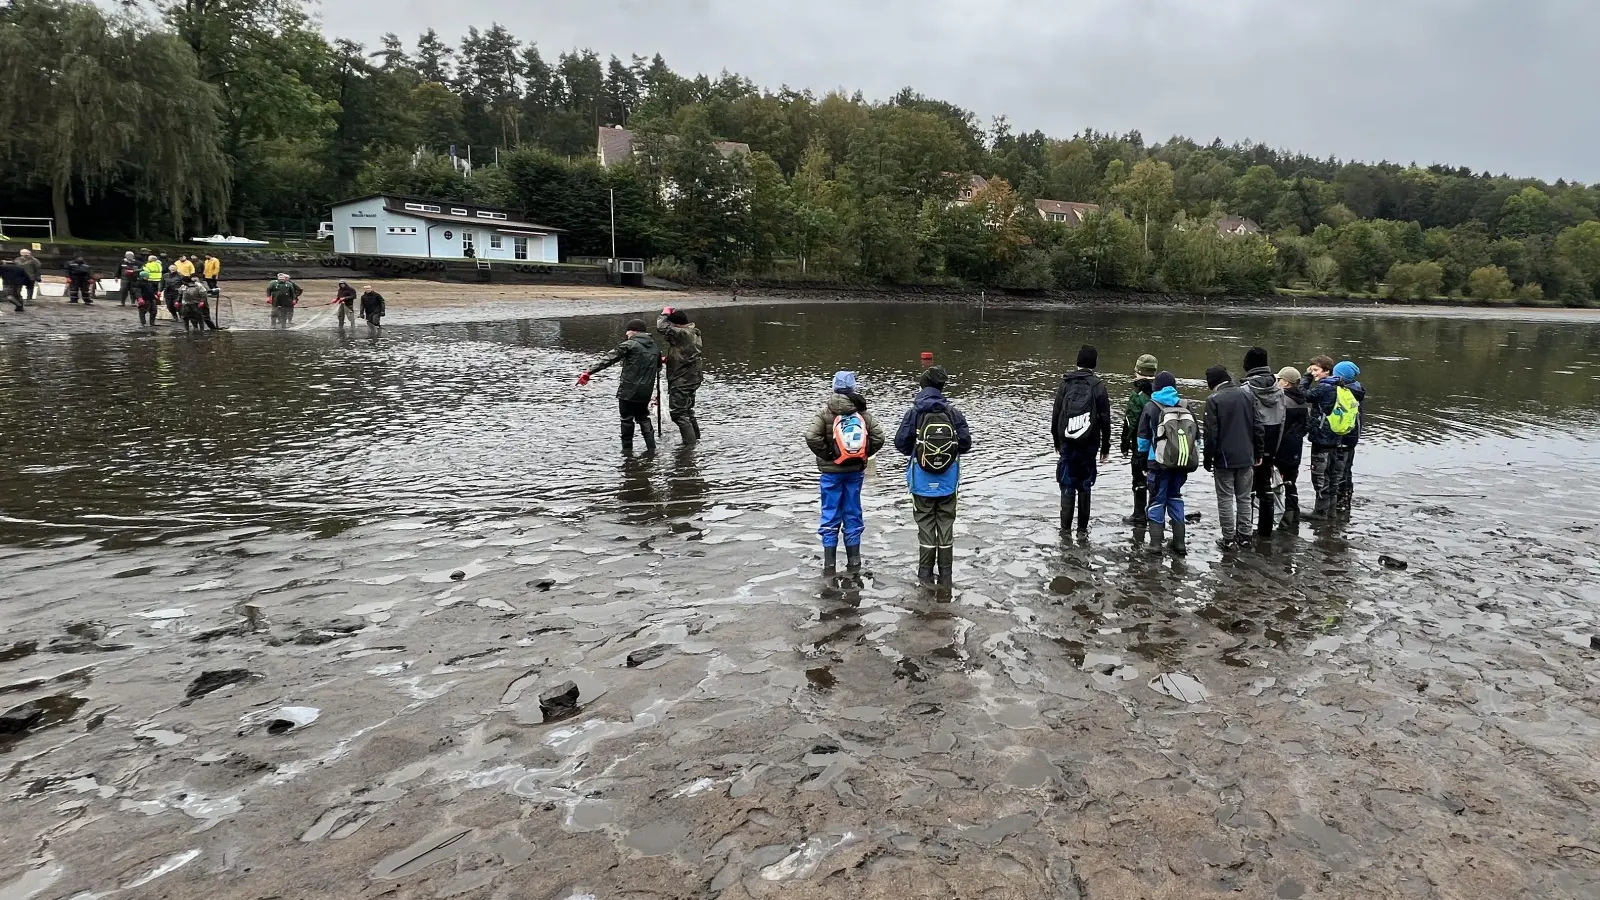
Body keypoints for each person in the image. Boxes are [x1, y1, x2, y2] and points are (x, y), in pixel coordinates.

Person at [894, 365, 972, 586]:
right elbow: (966, 445)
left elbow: (900, 444)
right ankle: (946, 575)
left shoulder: (914, 413)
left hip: (921, 480)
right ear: (942, 387)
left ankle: (925, 575)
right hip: (948, 481)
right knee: (946, 524)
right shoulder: (953, 413)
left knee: (926, 524)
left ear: (923, 386)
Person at [803, 371, 885, 575]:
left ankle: (829, 565)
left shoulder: (825, 412)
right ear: (853, 388)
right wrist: (863, 455)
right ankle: (854, 563)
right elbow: (879, 437)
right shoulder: (862, 413)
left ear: (834, 387)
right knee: (852, 514)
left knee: (830, 515)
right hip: (854, 471)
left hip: (831, 473)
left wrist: (829, 455)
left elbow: (811, 436)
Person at [578, 318, 663, 455]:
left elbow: (608, 359)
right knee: (643, 418)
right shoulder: (655, 347)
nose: (627, 334)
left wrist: (588, 372)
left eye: (628, 332)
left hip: (628, 390)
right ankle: (651, 449)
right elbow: (658, 368)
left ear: (634, 331)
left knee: (626, 419)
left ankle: (627, 452)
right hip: (645, 391)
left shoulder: (629, 345)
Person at [1051, 344, 1112, 536]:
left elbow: (1056, 414)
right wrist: (1105, 447)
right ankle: (1082, 531)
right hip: (1089, 444)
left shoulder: (1065, 383)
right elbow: (1105, 419)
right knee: (1085, 485)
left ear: (1077, 362)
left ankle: (1065, 530)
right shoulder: (1098, 386)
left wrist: (1056, 441)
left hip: (1067, 443)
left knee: (1067, 483)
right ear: (1094, 364)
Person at [1203, 365, 1265, 550]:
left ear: (1212, 382)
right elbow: (1258, 426)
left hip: (1224, 459)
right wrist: (1259, 453)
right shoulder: (1248, 395)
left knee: (1225, 498)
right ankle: (1246, 537)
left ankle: (1228, 539)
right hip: (1246, 456)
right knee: (1244, 498)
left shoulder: (1213, 400)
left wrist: (1207, 459)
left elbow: (1210, 434)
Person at [1137, 371, 1197, 555]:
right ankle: (1179, 543)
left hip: (1158, 463)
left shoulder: (1151, 406)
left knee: (1156, 500)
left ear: (1156, 387)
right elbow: (1197, 437)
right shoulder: (1185, 405)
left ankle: (1155, 544)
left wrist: (1142, 464)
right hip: (1181, 463)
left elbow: (1143, 440)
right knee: (1175, 497)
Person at [1241, 347, 1285, 536]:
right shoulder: (1279, 389)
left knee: (1246, 488)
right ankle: (1265, 532)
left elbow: (1243, 422)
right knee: (1265, 485)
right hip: (1273, 440)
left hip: (1251, 443)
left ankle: (1244, 530)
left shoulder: (1245, 390)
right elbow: (1282, 420)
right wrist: (1275, 450)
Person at [1301, 355, 1345, 521]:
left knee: (1319, 476)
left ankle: (1319, 512)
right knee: (1332, 475)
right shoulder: (1340, 385)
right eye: (1311, 370)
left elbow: (1303, 394)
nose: (1313, 373)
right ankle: (1331, 511)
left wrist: (1305, 377)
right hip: (1335, 436)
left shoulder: (1325, 388)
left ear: (1327, 371)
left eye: (1316, 370)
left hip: (1322, 437)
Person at [1119, 354, 1158, 526]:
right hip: (1161, 446)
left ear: (1139, 372)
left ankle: (1139, 515)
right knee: (1157, 481)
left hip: (1141, 445)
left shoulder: (1138, 395)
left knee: (1139, 480)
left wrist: (1124, 443)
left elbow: (1131, 422)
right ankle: (1156, 514)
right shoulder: (1161, 391)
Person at [656, 306, 704, 443]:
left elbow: (661, 327)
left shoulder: (682, 333)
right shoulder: (693, 332)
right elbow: (686, 353)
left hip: (682, 378)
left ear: (676, 324)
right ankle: (696, 441)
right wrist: (669, 359)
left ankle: (689, 447)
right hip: (692, 376)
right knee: (688, 411)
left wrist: (664, 314)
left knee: (678, 414)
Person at [1274, 367, 1309, 526]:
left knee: (1280, 484)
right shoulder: (1302, 400)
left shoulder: (1282, 400)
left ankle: (1285, 519)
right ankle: (1294, 516)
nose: (1277, 382)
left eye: (1279, 379)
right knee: (1291, 482)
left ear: (1286, 383)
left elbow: (1277, 427)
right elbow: (1307, 426)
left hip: (1282, 449)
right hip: (1296, 448)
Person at [1333, 360, 1365, 514]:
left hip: (1344, 438)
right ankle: (1345, 502)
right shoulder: (1357, 390)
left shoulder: (1345, 392)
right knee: (1346, 470)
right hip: (1352, 439)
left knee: (1339, 472)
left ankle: (1339, 503)